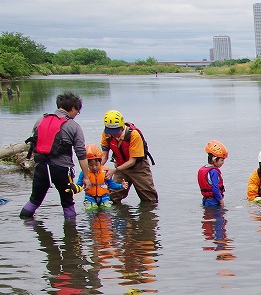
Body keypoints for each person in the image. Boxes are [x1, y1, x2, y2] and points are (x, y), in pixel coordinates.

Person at [19, 92, 89, 221]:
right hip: (61, 169)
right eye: (77, 112)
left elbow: (35, 142)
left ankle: (24, 220)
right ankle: (71, 233)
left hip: (41, 167)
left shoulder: (40, 120)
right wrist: (86, 177)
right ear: (73, 108)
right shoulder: (73, 126)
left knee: (35, 199)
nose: (76, 115)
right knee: (67, 202)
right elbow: (81, 154)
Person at [100, 110, 158, 204]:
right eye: (110, 131)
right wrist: (96, 168)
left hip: (138, 168)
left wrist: (114, 170)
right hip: (120, 167)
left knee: (149, 199)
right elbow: (104, 155)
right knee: (113, 196)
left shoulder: (134, 135)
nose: (113, 134)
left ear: (122, 126)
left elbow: (132, 161)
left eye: (115, 131)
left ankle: (147, 217)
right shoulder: (106, 134)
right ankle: (117, 217)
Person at [74, 145, 126, 210]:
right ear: (86, 164)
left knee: (106, 211)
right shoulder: (84, 173)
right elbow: (79, 185)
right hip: (90, 197)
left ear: (100, 162)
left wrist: (121, 185)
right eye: (91, 165)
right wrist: (73, 188)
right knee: (91, 211)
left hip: (104, 198)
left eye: (96, 165)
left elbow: (112, 185)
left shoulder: (106, 172)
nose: (94, 167)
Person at [198, 140, 228, 208]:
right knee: (219, 217)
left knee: (208, 216)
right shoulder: (214, 172)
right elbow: (215, 188)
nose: (223, 162)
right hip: (213, 201)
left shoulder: (204, 169)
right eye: (222, 160)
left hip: (205, 200)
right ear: (214, 159)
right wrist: (221, 200)